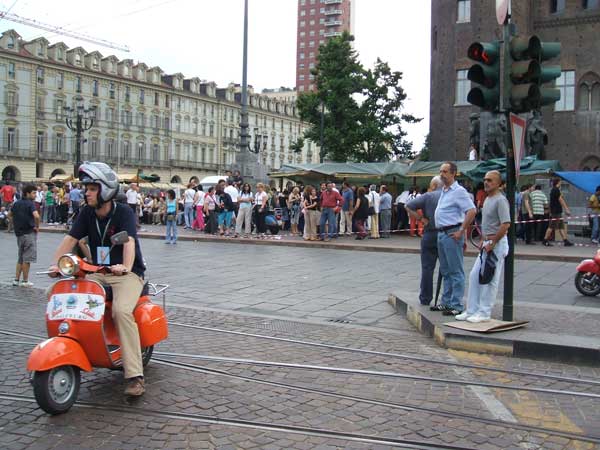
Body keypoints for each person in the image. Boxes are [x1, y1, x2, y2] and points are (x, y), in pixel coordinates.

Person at [48, 162, 147, 397]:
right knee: (55, 293)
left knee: (121, 312)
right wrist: (55, 263)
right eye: (86, 188)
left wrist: (125, 265)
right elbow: (70, 239)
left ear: (105, 190)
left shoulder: (123, 212)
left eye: (92, 188)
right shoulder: (86, 213)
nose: (87, 192)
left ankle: (135, 376)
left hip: (127, 275)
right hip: (98, 272)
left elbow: (129, 242)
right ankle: (76, 348)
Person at [456, 171, 510, 323]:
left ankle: (484, 312)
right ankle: (472, 309)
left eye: (490, 180)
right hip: (488, 242)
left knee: (490, 278)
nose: (486, 182)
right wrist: (483, 239)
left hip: (496, 243)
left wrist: (492, 242)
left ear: (499, 183)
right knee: (475, 276)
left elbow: (506, 224)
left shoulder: (500, 200)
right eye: (485, 180)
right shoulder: (488, 199)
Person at [432, 162, 477, 316]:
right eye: (440, 171)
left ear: (453, 173)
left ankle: (456, 304)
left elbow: (471, 211)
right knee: (445, 270)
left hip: (452, 233)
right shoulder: (444, 190)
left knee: (455, 270)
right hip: (442, 233)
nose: (442, 174)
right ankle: (446, 302)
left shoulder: (459, 191)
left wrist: (461, 230)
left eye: (445, 171)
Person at [405, 176, 442, 306]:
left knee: (427, 267)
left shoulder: (428, 196)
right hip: (446, 233)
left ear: (433, 185)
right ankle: (447, 298)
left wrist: (421, 219)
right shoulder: (450, 195)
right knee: (448, 268)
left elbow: (409, 206)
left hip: (430, 233)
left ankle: (425, 297)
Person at [8, 184, 39, 287]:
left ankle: (16, 280)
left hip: (19, 234)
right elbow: (37, 216)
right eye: (34, 193)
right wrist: (37, 226)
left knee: (20, 258)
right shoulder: (30, 204)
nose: (35, 195)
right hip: (29, 233)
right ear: (27, 193)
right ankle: (25, 281)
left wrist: (14, 224)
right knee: (27, 259)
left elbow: (9, 215)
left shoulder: (16, 203)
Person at [543, 178, 573, 247]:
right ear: (558, 183)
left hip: (557, 211)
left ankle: (565, 241)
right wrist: (567, 209)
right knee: (551, 226)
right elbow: (561, 200)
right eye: (560, 182)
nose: (561, 184)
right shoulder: (556, 190)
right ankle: (545, 240)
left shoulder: (554, 190)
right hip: (556, 212)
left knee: (561, 226)